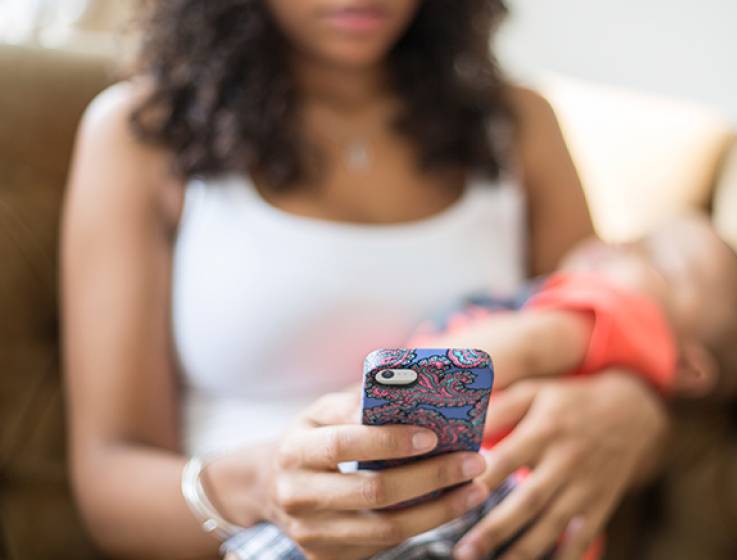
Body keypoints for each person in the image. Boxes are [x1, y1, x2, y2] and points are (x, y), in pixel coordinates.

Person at [60, 1, 618, 559]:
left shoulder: (521, 126)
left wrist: (629, 407)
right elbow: (110, 479)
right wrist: (261, 488)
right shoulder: (140, 136)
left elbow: (607, 317)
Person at [221, 213, 737, 559]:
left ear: (691, 369)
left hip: (458, 493)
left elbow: (519, 348)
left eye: (652, 257)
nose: (620, 244)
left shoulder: (615, 308)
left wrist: (397, 387)